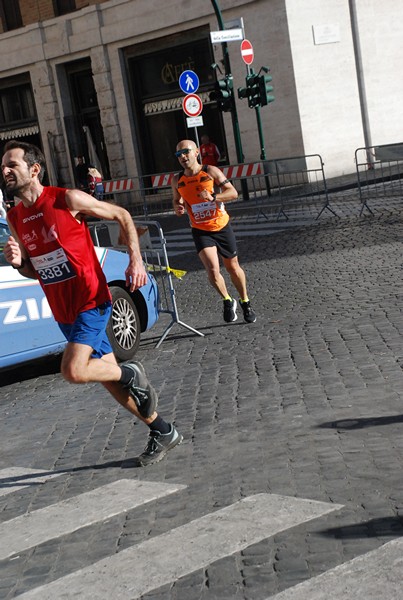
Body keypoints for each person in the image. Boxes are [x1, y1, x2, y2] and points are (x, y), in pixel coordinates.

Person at [2, 140, 182, 467]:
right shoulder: (15, 216)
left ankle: (129, 370)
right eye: (3, 166)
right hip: (63, 310)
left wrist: (136, 261)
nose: (5, 171)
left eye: (12, 164)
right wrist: (18, 264)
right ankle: (162, 429)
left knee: (73, 370)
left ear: (34, 169)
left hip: (91, 299)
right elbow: (35, 271)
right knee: (108, 381)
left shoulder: (67, 199)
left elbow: (122, 215)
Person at [171, 139, 256, 324]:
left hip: (221, 226)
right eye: (179, 154)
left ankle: (245, 301)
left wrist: (214, 197)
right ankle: (227, 300)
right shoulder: (177, 179)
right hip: (200, 230)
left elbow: (233, 193)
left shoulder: (210, 171)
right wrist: (178, 207)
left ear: (196, 153)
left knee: (232, 267)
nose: (183, 157)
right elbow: (176, 199)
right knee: (212, 270)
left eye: (186, 152)